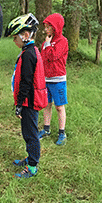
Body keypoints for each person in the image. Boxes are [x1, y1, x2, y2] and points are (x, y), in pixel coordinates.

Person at [4, 13, 48, 179]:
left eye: (15, 37)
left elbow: (26, 82)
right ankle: (30, 157)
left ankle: (32, 167)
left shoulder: (29, 54)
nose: (14, 40)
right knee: (27, 132)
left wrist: (20, 104)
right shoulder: (28, 50)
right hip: (27, 100)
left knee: (30, 134)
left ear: (26, 35)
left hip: (29, 101)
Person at [38, 13, 69, 146]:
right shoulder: (45, 42)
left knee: (59, 107)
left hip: (58, 79)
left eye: (48, 27)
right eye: (45, 27)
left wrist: (49, 44)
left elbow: (53, 56)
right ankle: (46, 129)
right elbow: (43, 58)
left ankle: (62, 133)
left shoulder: (63, 41)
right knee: (46, 105)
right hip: (46, 79)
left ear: (56, 27)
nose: (46, 30)